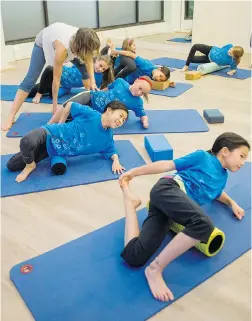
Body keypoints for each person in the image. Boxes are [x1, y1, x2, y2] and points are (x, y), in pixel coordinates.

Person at [118, 132, 250, 302]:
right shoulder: (203, 157)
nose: (243, 162)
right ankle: (155, 269)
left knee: (134, 257)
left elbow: (217, 193)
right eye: (241, 156)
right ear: (225, 151)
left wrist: (232, 203)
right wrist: (135, 172)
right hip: (167, 189)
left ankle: (130, 203)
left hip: (170, 210)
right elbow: (168, 164)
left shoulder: (223, 178)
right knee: (203, 224)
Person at [2, 22, 100, 131]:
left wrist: (93, 81)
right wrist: (54, 106)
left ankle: (87, 106)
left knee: (85, 72)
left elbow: (89, 59)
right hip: (44, 41)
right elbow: (56, 81)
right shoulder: (62, 50)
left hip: (68, 40)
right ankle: (11, 116)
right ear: (81, 47)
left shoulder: (84, 37)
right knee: (30, 79)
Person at [7, 101, 129, 183]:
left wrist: (116, 161)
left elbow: (111, 150)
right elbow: (70, 104)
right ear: (109, 110)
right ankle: (30, 165)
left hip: (53, 150)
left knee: (11, 166)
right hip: (49, 133)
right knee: (26, 141)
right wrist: (61, 122)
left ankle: (44, 157)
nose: (120, 120)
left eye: (123, 120)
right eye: (120, 115)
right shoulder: (91, 114)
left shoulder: (107, 137)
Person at [49, 76, 152, 128]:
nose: (139, 92)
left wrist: (145, 121)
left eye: (142, 93)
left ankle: (58, 127)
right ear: (136, 80)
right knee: (67, 106)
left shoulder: (137, 102)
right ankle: (49, 125)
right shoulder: (120, 82)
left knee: (71, 121)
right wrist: (98, 91)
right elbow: (107, 88)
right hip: (90, 97)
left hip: (96, 113)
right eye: (140, 88)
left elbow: (143, 115)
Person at [28, 55, 114, 104]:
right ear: (97, 60)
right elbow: (74, 64)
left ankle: (46, 87)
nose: (100, 69)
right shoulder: (87, 63)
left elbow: (94, 90)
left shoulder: (98, 78)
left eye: (103, 69)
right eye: (100, 65)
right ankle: (39, 93)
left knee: (54, 95)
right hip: (58, 75)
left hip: (65, 87)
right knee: (30, 92)